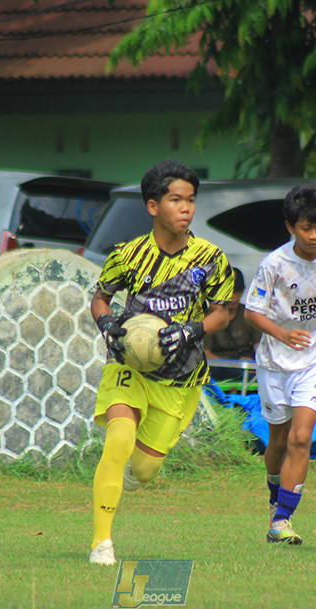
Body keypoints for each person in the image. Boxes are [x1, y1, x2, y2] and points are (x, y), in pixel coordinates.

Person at [88, 160, 235, 566]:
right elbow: (99, 297)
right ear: (153, 206)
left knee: (146, 469)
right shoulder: (128, 254)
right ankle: (102, 543)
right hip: (129, 367)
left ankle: (129, 477)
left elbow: (223, 312)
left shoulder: (210, 258)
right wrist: (106, 324)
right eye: (176, 200)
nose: (186, 208)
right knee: (118, 439)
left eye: (190, 200)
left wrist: (191, 330)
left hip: (180, 379)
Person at [242, 183, 316, 545]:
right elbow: (251, 313)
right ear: (290, 227)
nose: (315, 235)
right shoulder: (273, 264)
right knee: (278, 440)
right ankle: (276, 500)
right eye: (307, 228)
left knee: (301, 438)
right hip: (274, 362)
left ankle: (282, 519)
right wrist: (282, 334)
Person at [203, 268, 261, 381]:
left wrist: (255, 362)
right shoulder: (207, 316)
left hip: (247, 369)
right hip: (216, 370)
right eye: (229, 290)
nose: (233, 295)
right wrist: (234, 365)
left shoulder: (249, 314)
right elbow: (205, 353)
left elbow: (259, 346)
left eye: (237, 290)